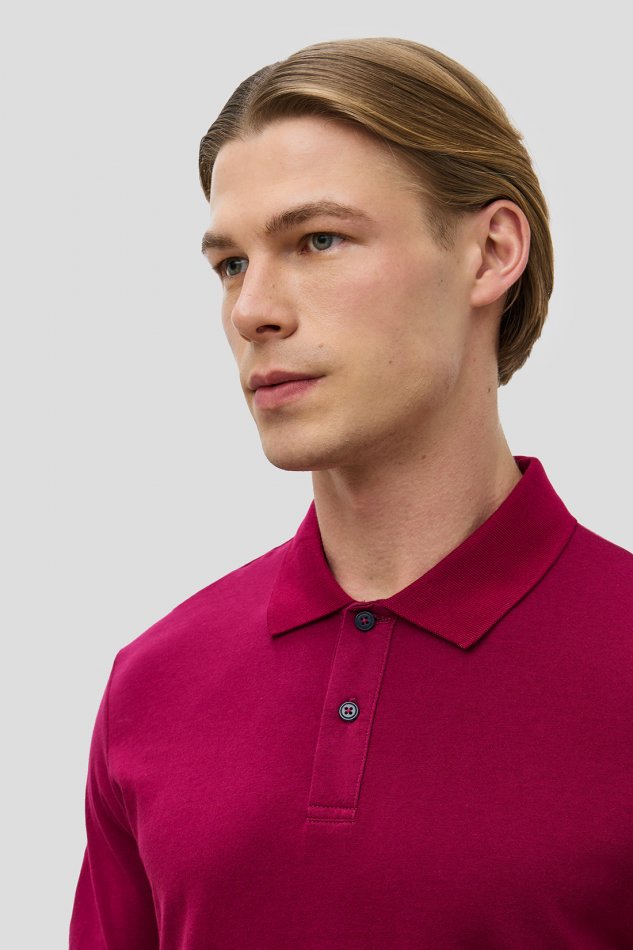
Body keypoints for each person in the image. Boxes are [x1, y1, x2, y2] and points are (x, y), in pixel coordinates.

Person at [69, 37, 633, 948]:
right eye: (231, 264)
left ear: (490, 252)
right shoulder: (154, 683)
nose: (252, 310)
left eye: (317, 240)